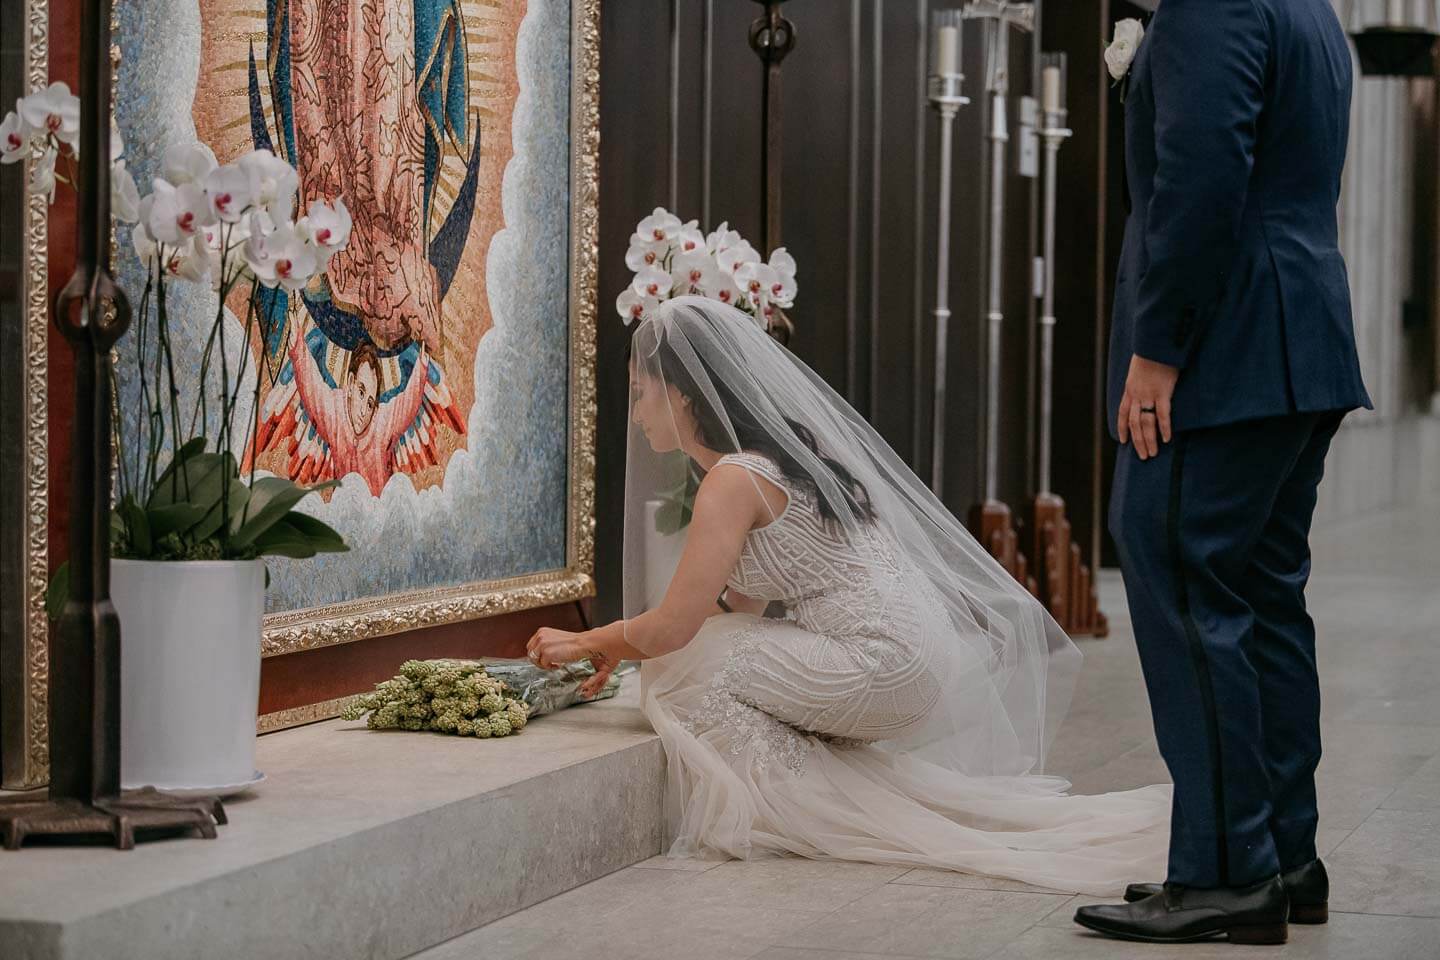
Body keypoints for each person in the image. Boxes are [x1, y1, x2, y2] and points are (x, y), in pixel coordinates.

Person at [528, 295, 1169, 896]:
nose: (636, 415)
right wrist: (625, 646)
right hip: (919, 656)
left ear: (681, 393)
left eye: (640, 393)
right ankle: (819, 787)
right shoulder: (774, 458)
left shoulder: (732, 478)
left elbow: (674, 627)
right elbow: (737, 609)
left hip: (880, 662)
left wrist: (588, 640)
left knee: (674, 669)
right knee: (690, 654)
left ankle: (788, 806)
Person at [1079, 0, 1370, 945]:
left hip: (1225, 349)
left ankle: (1225, 871)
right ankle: (1285, 857)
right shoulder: (1312, 10)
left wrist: (1159, 347)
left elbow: (1202, 182)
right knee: (1263, 597)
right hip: (1297, 335)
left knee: (1182, 577)